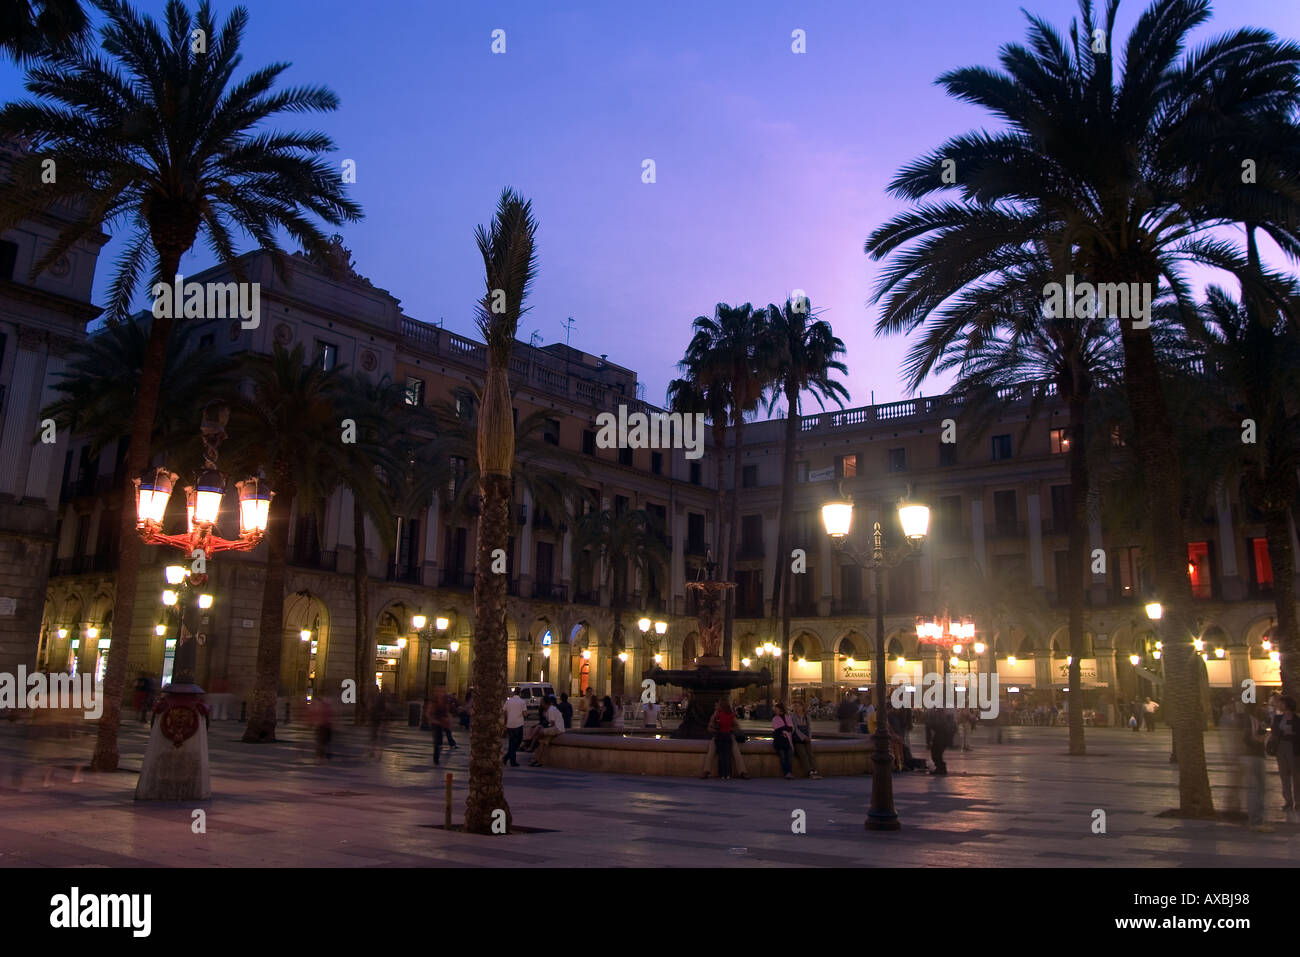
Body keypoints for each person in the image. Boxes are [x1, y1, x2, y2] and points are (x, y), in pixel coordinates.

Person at [1238, 702, 1271, 830]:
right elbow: (1249, 739)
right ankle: (1256, 820)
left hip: (1251, 757)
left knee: (1255, 789)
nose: (1264, 709)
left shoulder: (1254, 720)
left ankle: (1255, 819)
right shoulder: (1251, 720)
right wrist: (1264, 737)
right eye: (1261, 706)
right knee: (1257, 789)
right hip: (1254, 757)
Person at [1272, 695, 1300, 811]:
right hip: (1280, 747)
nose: (1279, 705)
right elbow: (1274, 730)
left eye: (1281, 703)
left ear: (1287, 705)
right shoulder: (1278, 718)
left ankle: (1298, 801)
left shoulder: (1296, 719)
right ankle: (1288, 801)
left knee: (1296, 776)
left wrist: (1291, 735)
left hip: (1293, 747)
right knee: (1284, 775)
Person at [531, 695, 567, 766]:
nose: (540, 703)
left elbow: (552, 724)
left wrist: (544, 731)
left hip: (557, 728)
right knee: (542, 743)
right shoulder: (548, 710)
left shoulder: (551, 710)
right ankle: (538, 760)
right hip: (556, 728)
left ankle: (533, 741)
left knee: (540, 732)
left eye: (541, 702)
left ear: (544, 703)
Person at [709, 700, 739, 779]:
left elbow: (711, 727)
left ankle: (722, 774)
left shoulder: (718, 715)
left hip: (720, 736)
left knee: (721, 756)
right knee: (727, 756)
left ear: (721, 706)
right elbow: (710, 727)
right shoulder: (730, 715)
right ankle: (728, 774)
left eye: (717, 705)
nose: (715, 707)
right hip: (727, 736)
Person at [791, 700, 821, 778]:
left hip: (807, 738)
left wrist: (809, 737)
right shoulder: (792, 717)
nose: (796, 708)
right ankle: (809, 772)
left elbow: (809, 728)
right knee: (803, 755)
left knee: (810, 754)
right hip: (798, 739)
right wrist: (803, 737)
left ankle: (815, 770)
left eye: (798, 706)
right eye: (795, 706)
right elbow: (795, 729)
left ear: (802, 707)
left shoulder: (807, 717)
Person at [426, 690, 453, 766]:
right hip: (435, 723)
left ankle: (440, 748)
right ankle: (436, 757)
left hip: (443, 723)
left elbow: (447, 713)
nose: (441, 696)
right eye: (439, 695)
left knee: (440, 740)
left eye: (442, 695)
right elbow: (428, 713)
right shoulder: (433, 704)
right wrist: (432, 720)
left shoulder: (445, 704)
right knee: (437, 740)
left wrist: (448, 721)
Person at [927, 708, 956, 775]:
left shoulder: (941, 714)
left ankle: (941, 769)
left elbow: (937, 724)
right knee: (937, 753)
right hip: (942, 736)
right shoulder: (944, 713)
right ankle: (940, 768)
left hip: (941, 736)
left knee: (936, 753)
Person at [306, 693, 334, 762]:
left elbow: (314, 715)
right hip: (326, 726)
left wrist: (310, 723)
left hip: (321, 726)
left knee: (320, 741)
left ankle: (320, 754)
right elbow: (330, 715)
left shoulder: (318, 707)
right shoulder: (326, 706)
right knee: (325, 741)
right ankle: (324, 754)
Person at [503, 688, 527, 767]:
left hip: (510, 724)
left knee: (511, 742)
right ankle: (510, 760)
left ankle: (507, 758)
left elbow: (504, 712)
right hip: (518, 724)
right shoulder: (522, 702)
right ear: (520, 693)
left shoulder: (508, 701)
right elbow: (524, 714)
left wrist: (505, 722)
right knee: (518, 742)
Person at [771, 702, 795, 778]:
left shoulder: (787, 717)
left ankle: (789, 772)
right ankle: (786, 772)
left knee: (789, 756)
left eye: (776, 709)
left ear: (781, 709)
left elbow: (791, 728)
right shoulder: (774, 718)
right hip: (779, 740)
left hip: (788, 740)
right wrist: (785, 728)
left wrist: (783, 729)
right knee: (783, 756)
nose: (775, 711)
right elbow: (776, 729)